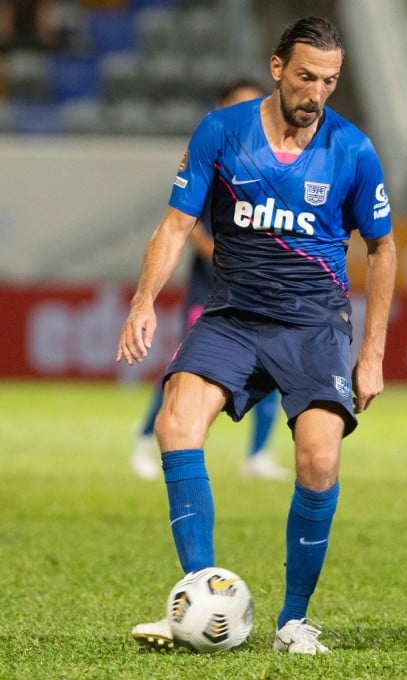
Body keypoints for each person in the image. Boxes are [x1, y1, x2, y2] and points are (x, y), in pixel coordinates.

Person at [116, 16, 397, 654]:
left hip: (314, 324)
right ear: (277, 70)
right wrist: (143, 302)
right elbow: (174, 226)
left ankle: (293, 621)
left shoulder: (353, 149)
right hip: (234, 317)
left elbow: (384, 250)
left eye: (329, 81)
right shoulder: (222, 132)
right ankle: (199, 598)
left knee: (320, 458)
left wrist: (373, 352)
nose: (316, 92)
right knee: (176, 423)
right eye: (305, 77)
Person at [130, 78, 289, 483]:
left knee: (271, 367)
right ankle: (147, 435)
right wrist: (225, 257)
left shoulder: (276, 163)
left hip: (261, 291)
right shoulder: (214, 156)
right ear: (220, 108)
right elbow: (186, 224)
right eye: (238, 105)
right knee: (187, 370)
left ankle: (256, 454)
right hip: (213, 288)